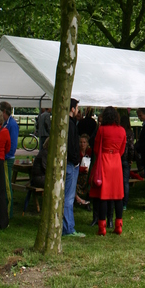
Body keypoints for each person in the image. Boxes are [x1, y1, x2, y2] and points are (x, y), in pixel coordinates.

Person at [89, 106, 126, 236]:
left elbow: (96, 147)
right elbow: (122, 149)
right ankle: (118, 225)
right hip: (116, 161)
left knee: (103, 195)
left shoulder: (102, 130)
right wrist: (115, 154)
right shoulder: (122, 130)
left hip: (104, 160)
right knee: (118, 195)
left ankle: (102, 227)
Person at [62, 98, 85, 237]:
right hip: (71, 164)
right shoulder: (70, 125)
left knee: (68, 197)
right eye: (76, 107)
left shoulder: (68, 123)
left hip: (71, 162)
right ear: (72, 109)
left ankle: (68, 226)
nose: (77, 110)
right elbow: (71, 146)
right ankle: (68, 228)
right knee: (69, 198)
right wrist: (76, 160)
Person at [120, 114, 135, 210]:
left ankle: (118, 200)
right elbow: (131, 147)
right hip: (126, 159)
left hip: (119, 158)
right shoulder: (130, 132)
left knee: (118, 181)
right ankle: (124, 203)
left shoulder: (119, 131)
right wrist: (131, 159)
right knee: (125, 181)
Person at [75, 134, 92, 209]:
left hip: (88, 174)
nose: (82, 144)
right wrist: (83, 169)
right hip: (79, 174)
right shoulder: (77, 153)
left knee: (89, 180)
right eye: (81, 142)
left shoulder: (90, 152)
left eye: (84, 142)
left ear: (87, 143)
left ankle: (88, 200)